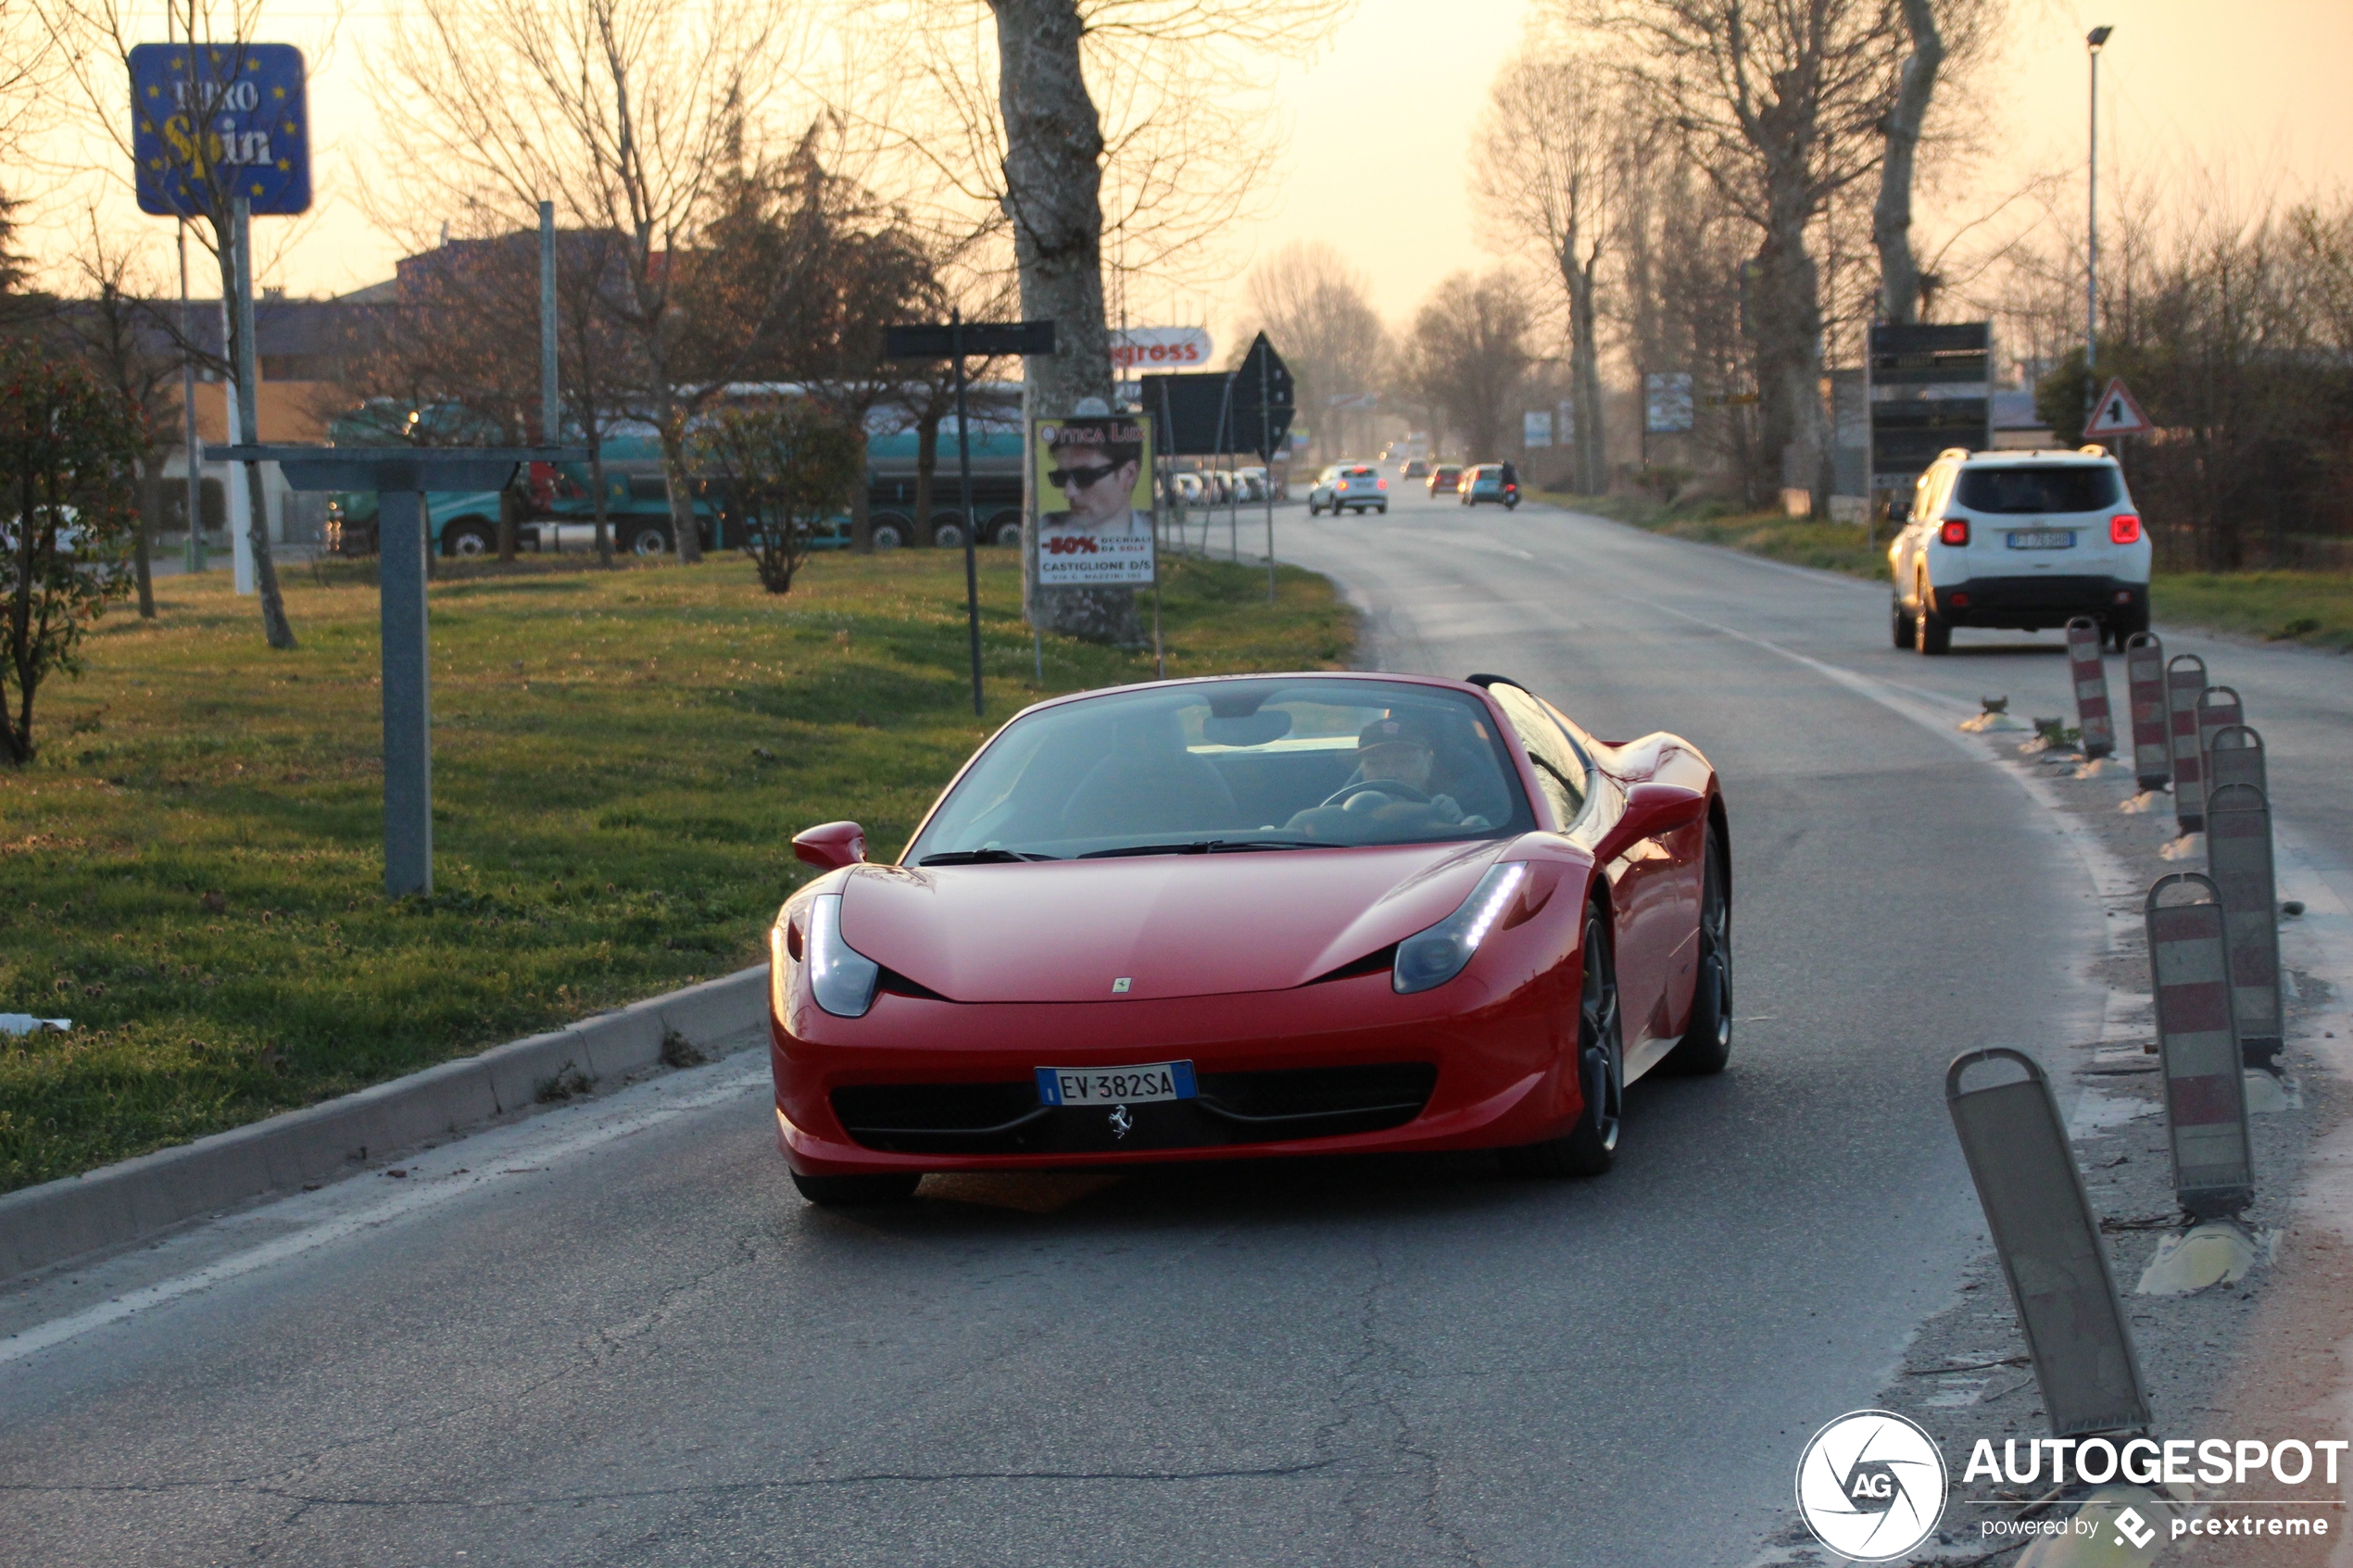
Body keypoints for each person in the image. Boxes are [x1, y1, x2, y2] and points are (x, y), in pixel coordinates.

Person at [1283, 713, 1491, 838]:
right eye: (1375, 763)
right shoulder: (1324, 821)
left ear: (1429, 761)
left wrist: (1458, 824)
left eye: (1404, 761)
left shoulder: (1463, 808)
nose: (1390, 773)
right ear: (1361, 768)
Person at [1038, 420, 1152, 539]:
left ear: (1128, 475)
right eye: (1060, 478)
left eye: (1084, 476)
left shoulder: (1157, 536)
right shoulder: (1044, 535)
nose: (1068, 493)